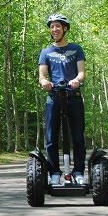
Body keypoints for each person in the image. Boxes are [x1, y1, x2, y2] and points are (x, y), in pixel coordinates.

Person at [38, 13, 87, 186]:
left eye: (58, 26)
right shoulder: (46, 52)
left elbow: (81, 73)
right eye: (52, 27)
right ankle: (55, 173)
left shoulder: (76, 49)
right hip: (55, 97)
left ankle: (79, 172)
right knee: (51, 138)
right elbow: (42, 76)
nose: (54, 29)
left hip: (73, 97)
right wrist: (46, 83)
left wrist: (77, 80)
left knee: (77, 137)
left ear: (65, 28)